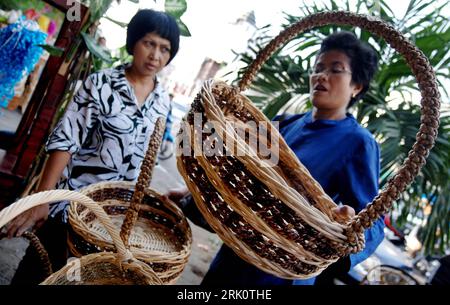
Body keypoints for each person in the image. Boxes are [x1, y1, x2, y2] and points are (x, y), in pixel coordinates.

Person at [166, 31, 385, 285]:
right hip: (238, 254)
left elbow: (373, 220)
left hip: (283, 273)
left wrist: (352, 229)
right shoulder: (285, 123)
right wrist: (188, 192)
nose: (321, 76)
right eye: (318, 67)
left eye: (336, 70)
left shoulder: (358, 142)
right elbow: (238, 177)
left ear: (357, 86)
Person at [6, 9, 180, 284]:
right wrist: (42, 199)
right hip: (72, 204)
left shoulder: (163, 103)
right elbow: (66, 139)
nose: (155, 55)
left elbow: (151, 158)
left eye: (164, 48)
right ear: (133, 42)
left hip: (114, 217)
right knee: (39, 270)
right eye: (149, 43)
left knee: (83, 278)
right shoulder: (100, 85)